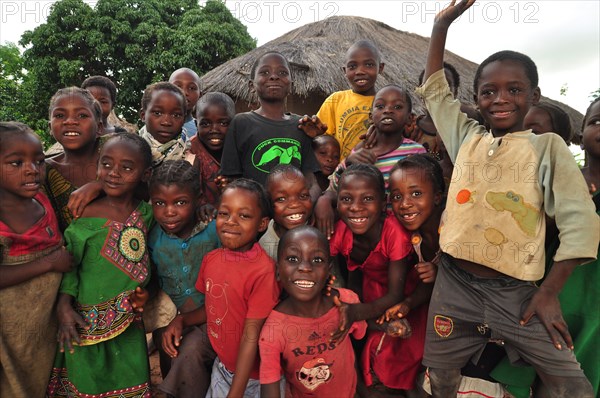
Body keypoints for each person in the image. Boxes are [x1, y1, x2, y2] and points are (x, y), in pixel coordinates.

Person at [417, 1, 598, 396]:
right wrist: (441, 26)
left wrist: (549, 292)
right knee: (442, 374)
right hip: (453, 283)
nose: (500, 99)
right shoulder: (467, 138)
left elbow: (580, 222)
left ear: (534, 94)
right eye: (489, 91)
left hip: (517, 293)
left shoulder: (547, 147)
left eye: (514, 90)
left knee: (571, 383)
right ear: (477, 98)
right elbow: (435, 90)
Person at [46, 133, 155, 397]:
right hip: (84, 320)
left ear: (145, 173)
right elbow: (71, 266)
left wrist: (146, 291)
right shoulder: (85, 217)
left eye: (127, 167)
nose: (114, 173)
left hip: (130, 319)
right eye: (106, 164)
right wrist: (62, 306)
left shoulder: (147, 212)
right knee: (88, 379)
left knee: (129, 375)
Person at [162, 179, 280, 397]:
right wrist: (181, 320)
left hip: (254, 379)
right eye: (224, 214)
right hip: (223, 369)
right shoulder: (212, 260)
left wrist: (235, 392)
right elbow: (214, 308)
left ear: (262, 224)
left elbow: (250, 336)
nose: (231, 222)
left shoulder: (263, 271)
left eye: (243, 216)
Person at [329, 164, 426, 394]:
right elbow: (326, 264)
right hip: (370, 289)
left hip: (406, 290)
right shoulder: (341, 231)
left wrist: (354, 313)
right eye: (346, 199)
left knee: (404, 349)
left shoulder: (393, 232)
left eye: (367, 199)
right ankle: (363, 384)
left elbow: (396, 294)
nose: (355, 208)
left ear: (383, 203)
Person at [0, 122, 73, 397]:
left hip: (45, 327)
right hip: (10, 332)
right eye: (16, 163)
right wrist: (49, 264)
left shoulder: (43, 200)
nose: (32, 169)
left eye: (39, 161)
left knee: (42, 379)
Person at [259, 226, 367, 397]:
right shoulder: (273, 331)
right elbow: (269, 387)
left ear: (329, 270)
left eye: (316, 260)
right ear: (278, 271)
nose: (305, 268)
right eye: (293, 258)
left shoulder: (346, 302)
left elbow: (359, 338)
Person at [148, 160, 220, 397]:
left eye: (180, 202)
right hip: (174, 317)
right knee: (169, 347)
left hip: (215, 316)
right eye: (159, 203)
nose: (169, 211)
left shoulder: (214, 229)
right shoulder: (151, 235)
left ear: (198, 199)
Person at [315, 85, 426, 238]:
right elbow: (335, 188)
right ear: (371, 116)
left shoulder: (416, 152)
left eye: (397, 106)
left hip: (405, 233)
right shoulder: (360, 153)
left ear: (409, 117)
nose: (387, 110)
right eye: (380, 106)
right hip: (365, 232)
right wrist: (348, 163)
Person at [220, 51, 322, 191]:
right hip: (256, 210)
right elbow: (232, 179)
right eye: (265, 72)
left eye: (282, 73)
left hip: (295, 210)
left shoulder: (301, 125)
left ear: (291, 84)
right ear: (251, 86)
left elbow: (310, 181)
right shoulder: (241, 123)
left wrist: (309, 204)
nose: (274, 77)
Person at [43, 87, 105, 231]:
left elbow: (145, 187)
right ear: (50, 128)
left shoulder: (117, 147)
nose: (70, 121)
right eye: (59, 115)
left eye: (82, 115)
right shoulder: (43, 171)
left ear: (99, 127)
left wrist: (102, 186)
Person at [317, 40, 385, 159]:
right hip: (342, 173)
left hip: (379, 170)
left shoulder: (386, 103)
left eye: (369, 65)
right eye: (352, 66)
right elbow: (320, 139)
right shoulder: (335, 100)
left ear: (381, 68)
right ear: (345, 71)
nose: (360, 71)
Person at [189, 92, 236, 208]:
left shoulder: (242, 148)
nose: (214, 130)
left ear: (234, 122)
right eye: (205, 124)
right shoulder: (189, 151)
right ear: (196, 124)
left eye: (223, 123)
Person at [259, 165, 314, 260]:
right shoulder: (267, 249)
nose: (294, 204)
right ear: (268, 203)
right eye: (281, 199)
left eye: (303, 196)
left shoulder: (320, 223)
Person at [139, 81, 187, 168]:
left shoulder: (191, 155)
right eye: (157, 113)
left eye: (176, 115)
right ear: (143, 116)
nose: (166, 122)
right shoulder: (130, 151)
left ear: (184, 119)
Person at [169, 67, 202, 140]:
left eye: (192, 88)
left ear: (200, 95)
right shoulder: (155, 126)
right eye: (177, 86)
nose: (184, 92)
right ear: (167, 90)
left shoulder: (202, 130)